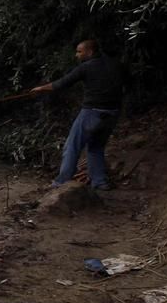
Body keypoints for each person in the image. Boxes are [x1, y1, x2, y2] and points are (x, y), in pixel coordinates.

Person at [30, 39, 125, 190]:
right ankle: (100, 182)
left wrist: (41, 89)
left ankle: (61, 182)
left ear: (90, 51)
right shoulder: (115, 64)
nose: (76, 55)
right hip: (113, 113)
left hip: (92, 112)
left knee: (72, 146)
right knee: (96, 147)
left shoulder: (86, 67)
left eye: (79, 51)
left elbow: (62, 83)